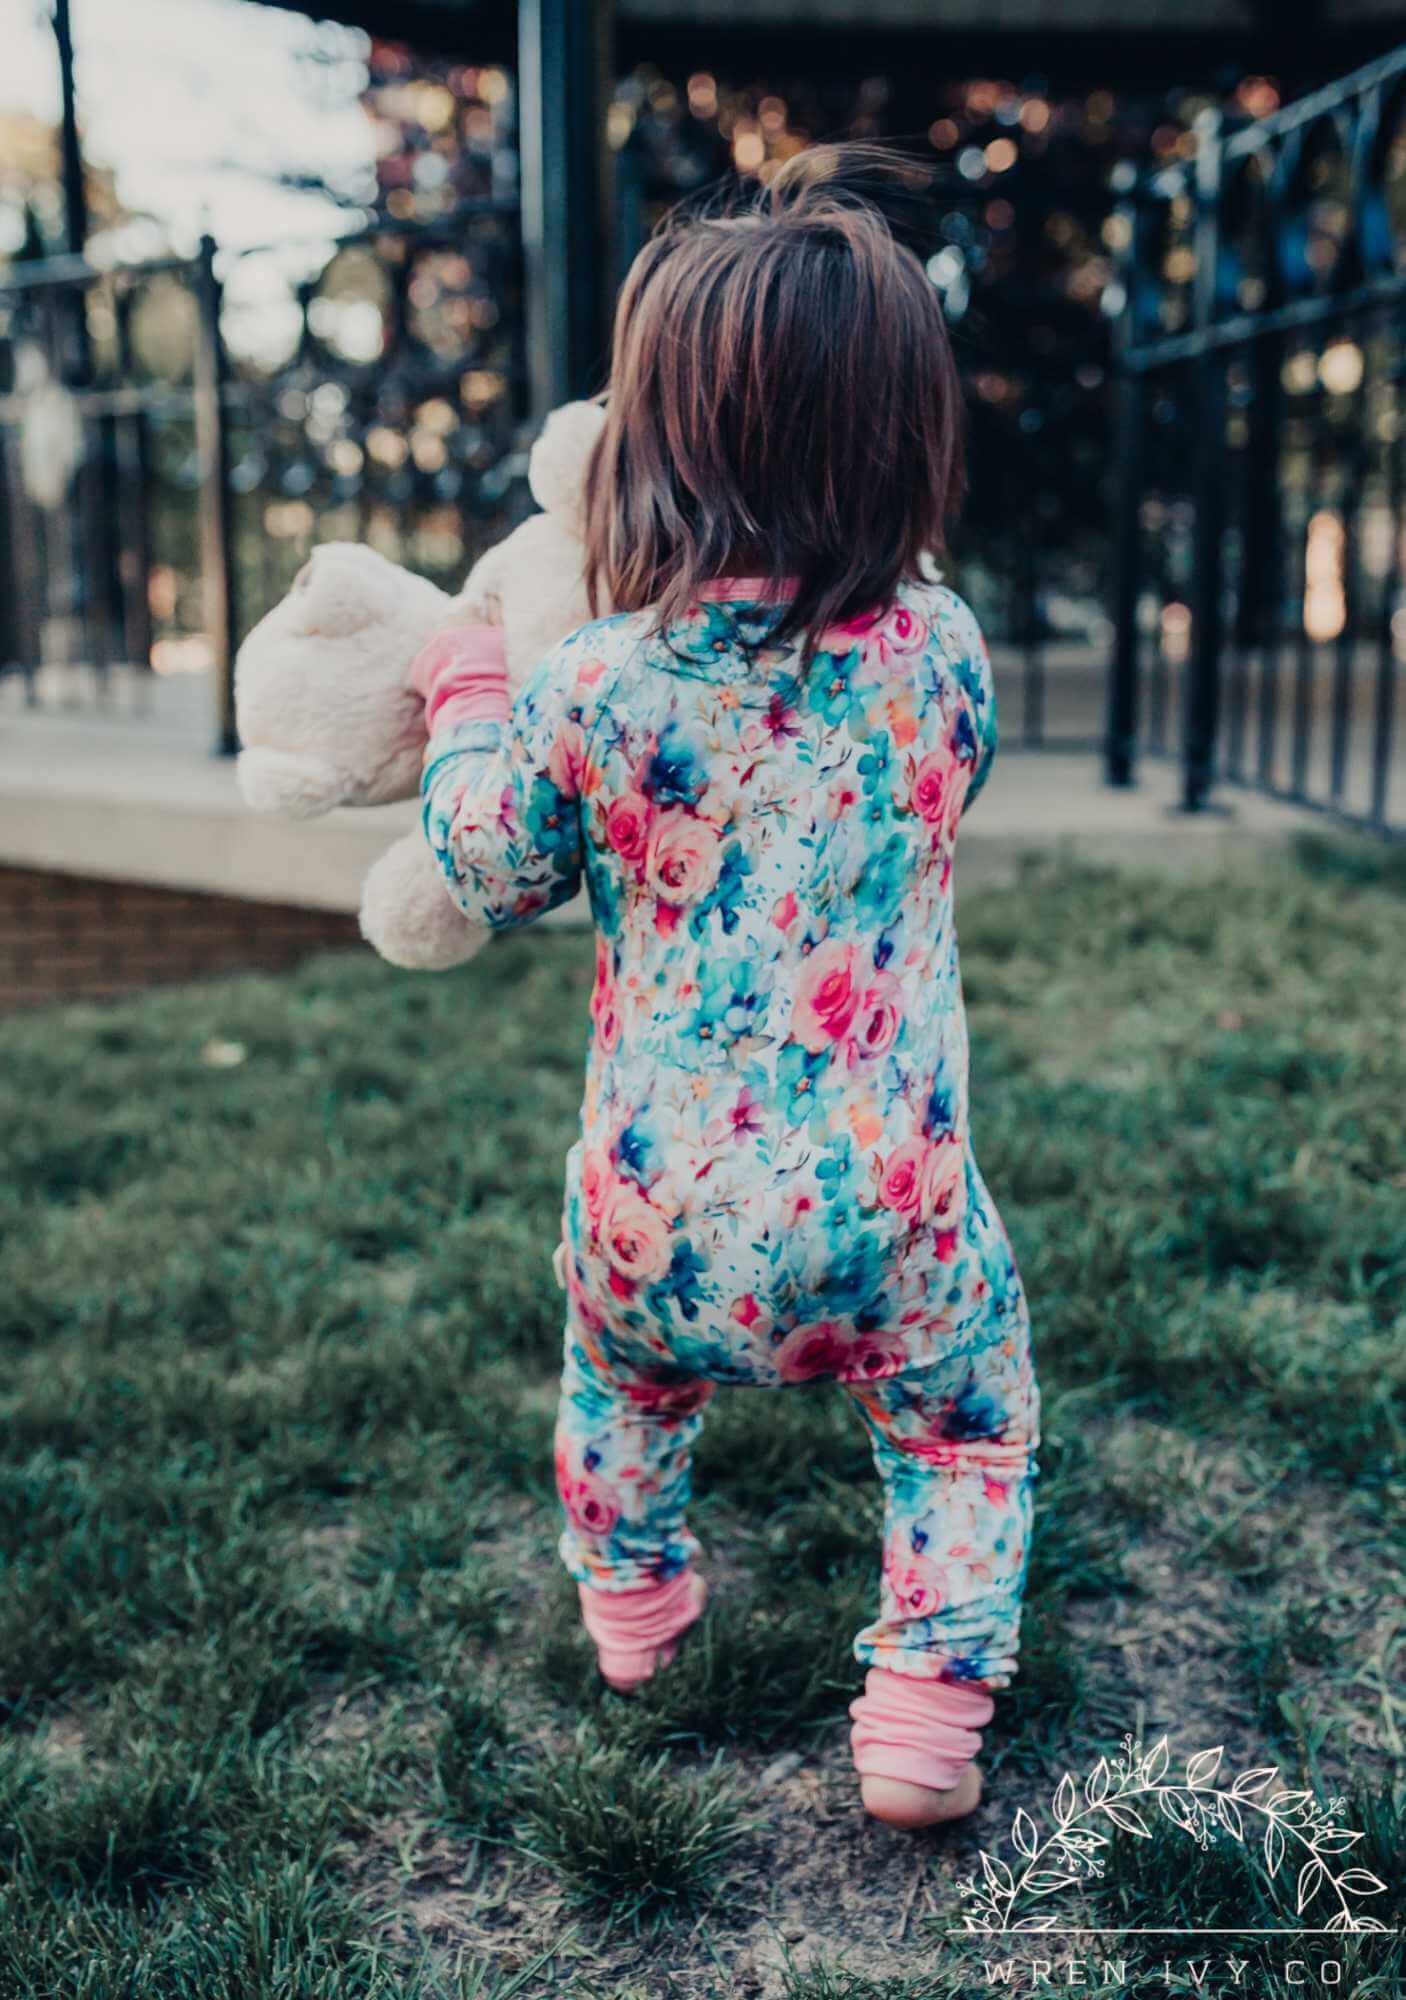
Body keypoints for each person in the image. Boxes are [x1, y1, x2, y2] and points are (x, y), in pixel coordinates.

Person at [412, 148, 1038, 1830]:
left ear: (650, 451)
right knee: (965, 1428)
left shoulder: (594, 686)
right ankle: (919, 1715)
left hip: (655, 1212)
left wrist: (470, 694)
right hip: (889, 1206)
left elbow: (484, 867)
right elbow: (948, 777)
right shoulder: (942, 652)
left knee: (617, 1381)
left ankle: (637, 1622)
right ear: (901, 437)